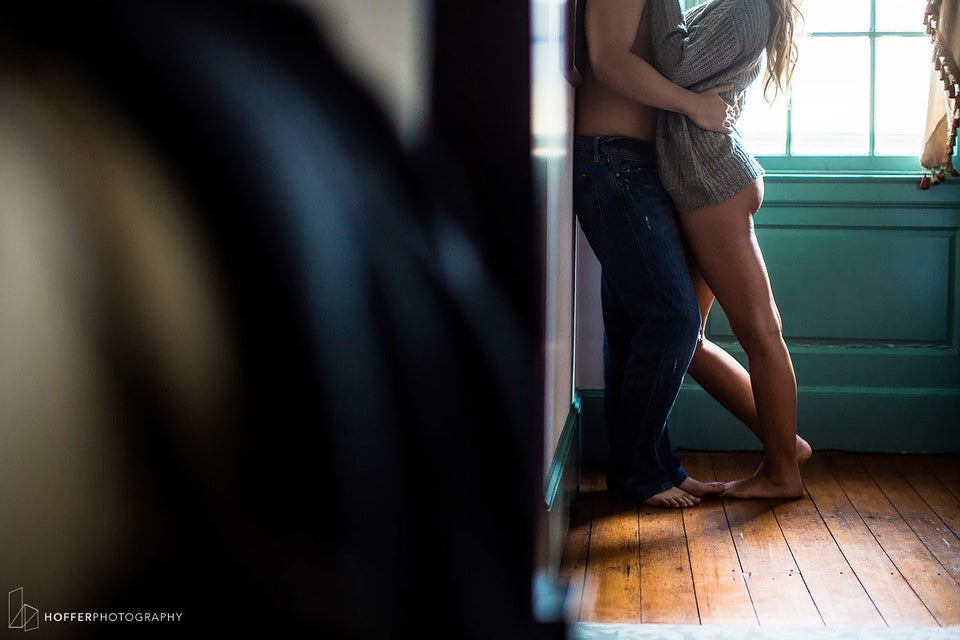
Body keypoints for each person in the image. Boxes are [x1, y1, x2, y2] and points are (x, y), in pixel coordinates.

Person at [573, 0, 736, 507]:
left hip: (633, 160)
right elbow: (607, 60)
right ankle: (641, 473)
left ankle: (652, 466)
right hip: (611, 158)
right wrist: (693, 105)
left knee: (634, 327)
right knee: (672, 319)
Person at [649, 0, 812, 499]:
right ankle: (786, 444)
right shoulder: (728, 5)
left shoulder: (743, 7)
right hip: (703, 182)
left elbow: (673, 64)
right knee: (688, 340)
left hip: (713, 183)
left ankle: (783, 473)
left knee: (761, 332)